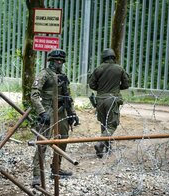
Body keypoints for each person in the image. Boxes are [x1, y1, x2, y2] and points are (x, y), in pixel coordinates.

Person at [30, 49, 79, 186]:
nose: (59, 63)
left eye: (61, 61)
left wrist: (72, 113)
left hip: (62, 111)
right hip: (48, 111)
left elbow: (68, 96)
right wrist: (41, 112)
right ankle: (37, 174)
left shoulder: (62, 76)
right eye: (57, 60)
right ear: (50, 60)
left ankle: (56, 168)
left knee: (63, 140)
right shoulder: (44, 74)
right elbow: (34, 94)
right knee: (43, 143)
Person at [88, 48, 130, 158]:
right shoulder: (119, 69)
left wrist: (101, 88)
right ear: (113, 57)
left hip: (100, 99)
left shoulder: (98, 69)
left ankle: (107, 147)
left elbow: (92, 85)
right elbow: (126, 85)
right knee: (112, 124)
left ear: (104, 58)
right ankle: (101, 143)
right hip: (112, 99)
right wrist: (116, 87)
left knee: (104, 123)